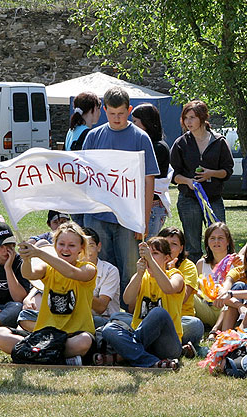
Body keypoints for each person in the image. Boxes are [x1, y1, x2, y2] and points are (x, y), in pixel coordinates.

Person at [82, 86, 159, 303]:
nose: (117, 118)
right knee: (101, 266)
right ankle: (104, 311)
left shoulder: (140, 138)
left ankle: (129, 312)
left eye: (122, 113)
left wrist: (143, 220)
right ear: (104, 109)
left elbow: (148, 180)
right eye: (112, 113)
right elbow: (84, 177)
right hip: (98, 215)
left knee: (130, 267)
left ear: (129, 110)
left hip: (128, 217)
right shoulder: (93, 136)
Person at [0, 222, 97, 366]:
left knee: (84, 341)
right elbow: (29, 274)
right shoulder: (47, 268)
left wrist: (39, 252)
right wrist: (27, 259)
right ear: (55, 245)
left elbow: (71, 272)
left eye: (71, 245)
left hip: (73, 335)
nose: (65, 249)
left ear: (81, 248)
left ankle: (33, 354)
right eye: (61, 244)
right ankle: (57, 358)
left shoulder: (89, 268)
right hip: (44, 336)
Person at [99, 238, 186, 369]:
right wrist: (139, 274)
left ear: (167, 258)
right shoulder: (141, 276)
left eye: (155, 253)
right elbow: (127, 299)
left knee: (158, 313)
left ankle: (127, 352)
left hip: (168, 345)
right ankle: (151, 362)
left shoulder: (175, 275)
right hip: (143, 340)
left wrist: (150, 260)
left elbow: (168, 288)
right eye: (147, 253)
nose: (148, 257)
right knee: (109, 329)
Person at [170, 100, 234, 262]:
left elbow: (227, 171)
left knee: (220, 239)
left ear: (203, 118)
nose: (188, 122)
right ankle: (195, 279)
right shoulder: (181, 143)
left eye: (192, 117)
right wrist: (188, 181)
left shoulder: (219, 141)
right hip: (189, 199)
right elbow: (173, 175)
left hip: (213, 199)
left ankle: (221, 272)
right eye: (185, 118)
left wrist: (211, 174)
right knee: (192, 244)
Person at [157, 226, 205, 354]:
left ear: (181, 248)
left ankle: (161, 343)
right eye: (165, 243)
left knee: (195, 325)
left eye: (174, 244)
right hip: (152, 319)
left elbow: (181, 299)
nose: (169, 248)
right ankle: (175, 347)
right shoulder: (150, 266)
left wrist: (168, 272)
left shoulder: (188, 266)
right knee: (120, 317)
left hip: (180, 319)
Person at [132, 103, 172, 238]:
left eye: (135, 121)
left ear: (146, 122)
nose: (131, 125)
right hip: (143, 206)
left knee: (147, 249)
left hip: (153, 207)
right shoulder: (144, 144)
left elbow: (148, 178)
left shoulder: (158, 147)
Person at [66, 91, 101, 227]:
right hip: (83, 193)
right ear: (93, 109)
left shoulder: (72, 130)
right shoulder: (87, 133)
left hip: (72, 190)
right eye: (98, 108)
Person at [193, 222, 237, 329]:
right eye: (212, 238)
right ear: (207, 242)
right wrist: (205, 295)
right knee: (187, 293)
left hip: (227, 309)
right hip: (206, 307)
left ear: (227, 242)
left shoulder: (235, 262)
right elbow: (194, 289)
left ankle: (218, 327)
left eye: (220, 238)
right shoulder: (201, 263)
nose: (216, 241)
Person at [82, 227, 120, 328]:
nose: (86, 251)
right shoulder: (69, 268)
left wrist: (77, 284)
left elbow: (101, 307)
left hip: (104, 321)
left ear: (99, 247)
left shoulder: (110, 271)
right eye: (82, 247)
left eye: (90, 245)